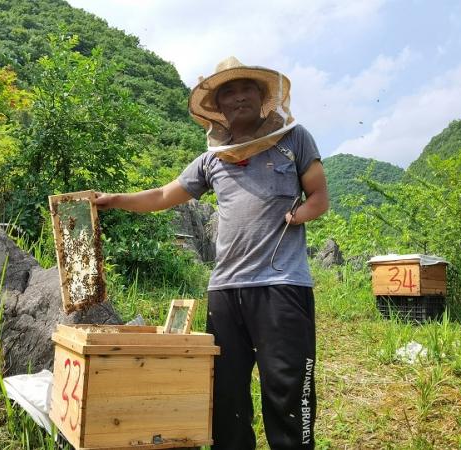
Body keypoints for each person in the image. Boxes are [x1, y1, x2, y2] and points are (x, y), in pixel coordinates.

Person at [94, 56, 328, 450]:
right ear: (217, 107)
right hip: (225, 291)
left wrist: (298, 214)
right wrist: (114, 199)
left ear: (262, 97)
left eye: (246, 89)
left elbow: (319, 196)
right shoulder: (211, 160)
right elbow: (165, 195)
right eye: (228, 93)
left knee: (288, 390)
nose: (238, 98)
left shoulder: (295, 139)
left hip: (281, 285)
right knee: (225, 393)